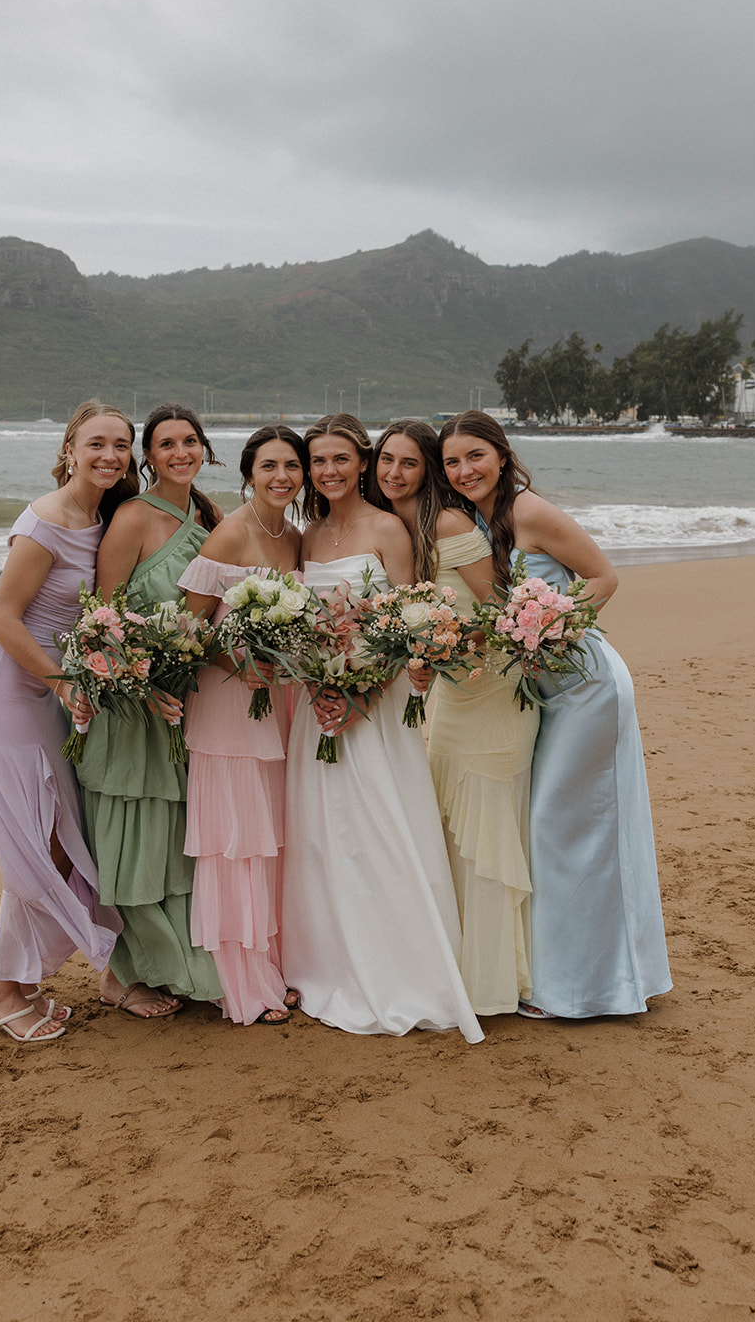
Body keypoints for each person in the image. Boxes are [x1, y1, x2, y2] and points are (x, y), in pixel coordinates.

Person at [439, 411, 672, 1021]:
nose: (465, 471)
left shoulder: (530, 511)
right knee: (553, 831)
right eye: (452, 463)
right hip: (538, 693)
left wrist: (546, 621)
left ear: (501, 453)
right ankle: (564, 976)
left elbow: (603, 577)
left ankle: (581, 990)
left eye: (475, 456)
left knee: (559, 827)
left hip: (586, 685)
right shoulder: (476, 520)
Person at [280, 413, 483, 1041]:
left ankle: (403, 969)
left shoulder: (389, 528)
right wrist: (319, 684)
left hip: (377, 703)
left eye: (341, 459)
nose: (329, 471)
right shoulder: (306, 536)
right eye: (318, 461)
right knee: (320, 833)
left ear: (361, 464)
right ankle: (325, 960)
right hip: (317, 705)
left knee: (378, 824)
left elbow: (408, 625)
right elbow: (299, 626)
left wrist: (359, 693)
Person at [0, 401, 136, 1043]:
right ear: (70, 449)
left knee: (58, 838)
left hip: (55, 692)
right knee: (32, 841)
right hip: (6, 688)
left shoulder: (103, 516)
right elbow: (2, 617)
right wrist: (62, 682)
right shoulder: (45, 520)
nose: (109, 455)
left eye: (120, 444)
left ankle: (18, 982)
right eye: (96, 443)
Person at [373, 419, 540, 1016]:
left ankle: (494, 984)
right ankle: (459, 966)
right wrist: (424, 657)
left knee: (486, 830)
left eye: (410, 463)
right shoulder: (400, 529)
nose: (394, 473)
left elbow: (503, 612)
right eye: (385, 461)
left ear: (428, 472)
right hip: (453, 698)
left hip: (494, 694)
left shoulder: (446, 523)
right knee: (451, 827)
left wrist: (447, 647)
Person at [75, 403, 224, 1014]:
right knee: (133, 838)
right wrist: (139, 680)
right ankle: (125, 971)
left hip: (183, 701)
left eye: (190, 442)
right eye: (167, 445)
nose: (181, 453)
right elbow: (99, 619)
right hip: (130, 705)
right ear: (150, 457)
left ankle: (177, 964)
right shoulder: (133, 518)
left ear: (204, 449)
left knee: (172, 842)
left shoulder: (210, 515)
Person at [178, 425, 307, 1026]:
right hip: (229, 705)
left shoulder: (297, 539)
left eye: (291, 466)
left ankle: (273, 965)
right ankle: (242, 983)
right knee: (237, 843)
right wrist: (236, 661)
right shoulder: (230, 533)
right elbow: (185, 629)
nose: (282, 477)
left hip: (279, 705)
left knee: (270, 840)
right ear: (248, 474)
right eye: (269, 466)